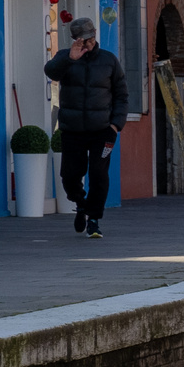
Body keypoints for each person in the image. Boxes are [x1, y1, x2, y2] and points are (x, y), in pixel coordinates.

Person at [44, 17, 127, 238]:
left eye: (90, 39)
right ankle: (80, 203)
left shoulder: (109, 61)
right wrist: (70, 59)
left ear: (95, 34)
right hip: (72, 130)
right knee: (70, 176)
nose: (87, 44)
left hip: (103, 131)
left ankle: (94, 219)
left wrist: (116, 125)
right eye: (82, 40)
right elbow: (51, 72)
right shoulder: (65, 57)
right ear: (74, 39)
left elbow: (121, 95)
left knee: (99, 173)